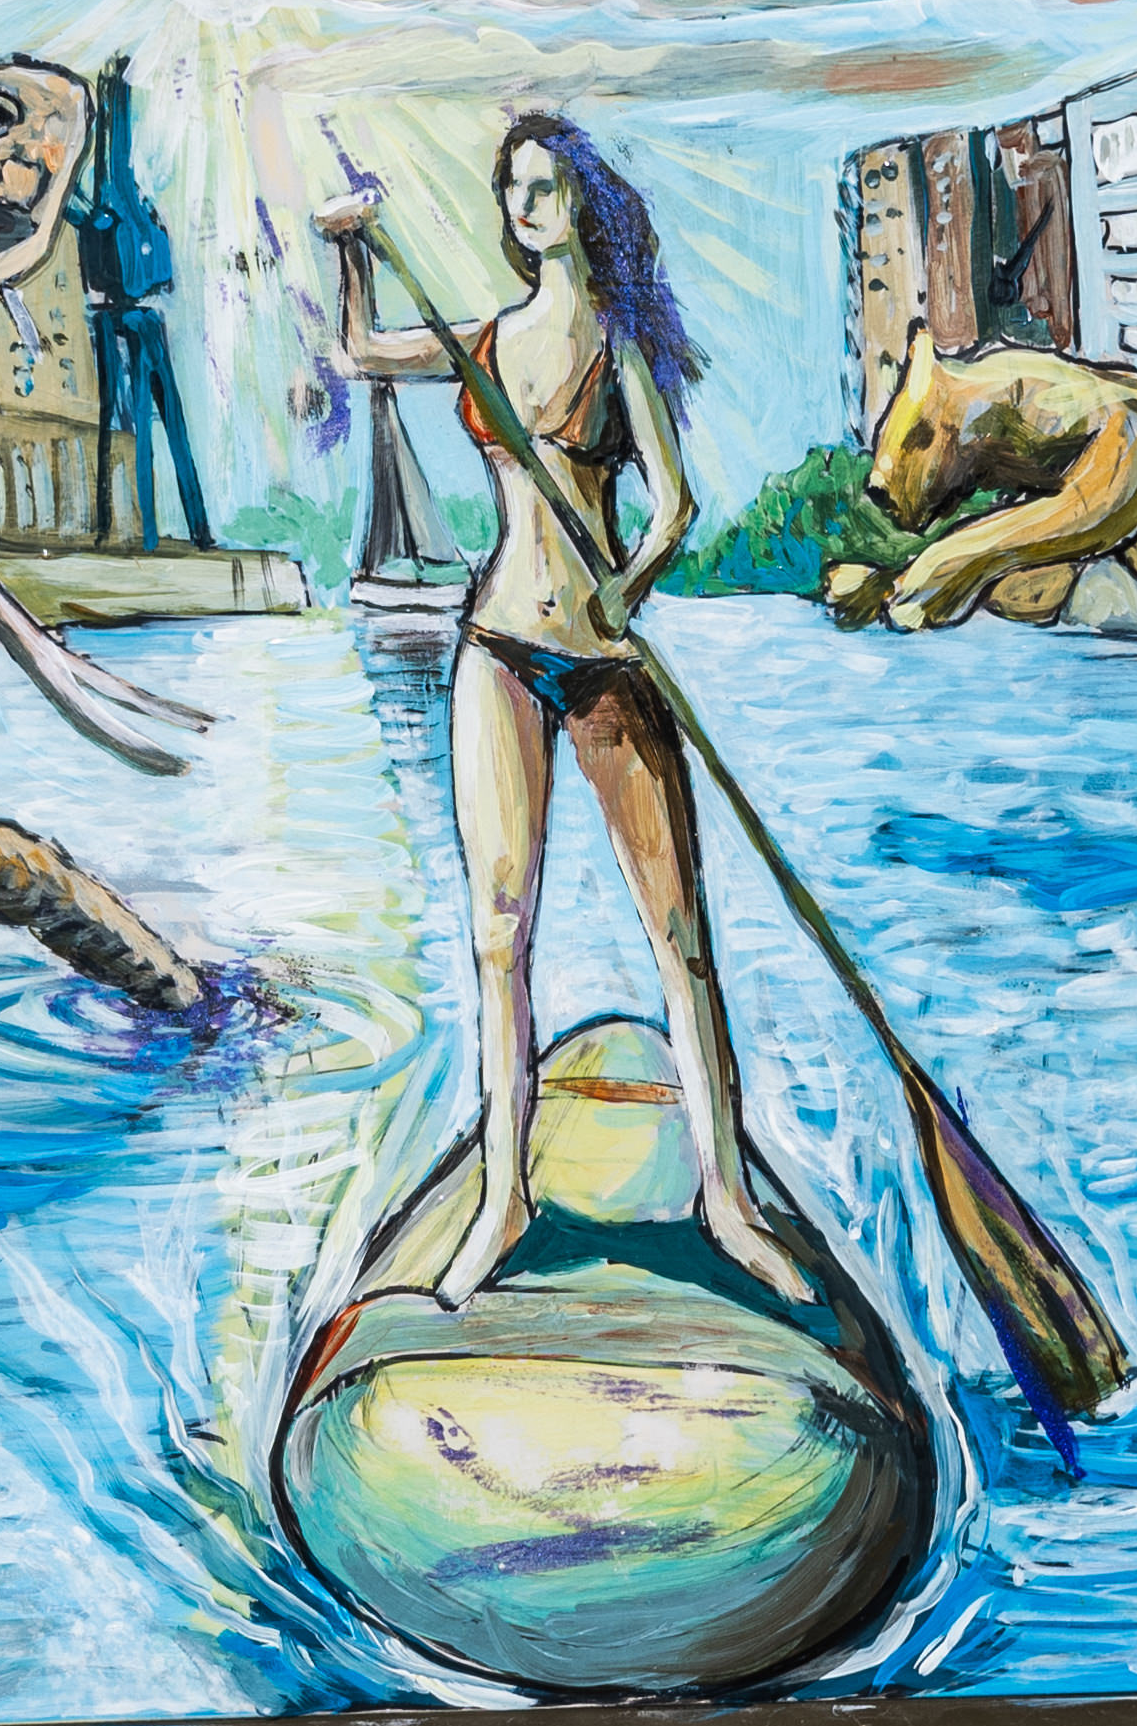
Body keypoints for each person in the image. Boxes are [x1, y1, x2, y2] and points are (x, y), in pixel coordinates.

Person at [326, 114, 806, 1308]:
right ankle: (502, 1200)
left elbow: (674, 506)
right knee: (498, 933)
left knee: (678, 934)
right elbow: (361, 350)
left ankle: (728, 1202)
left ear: (583, 204)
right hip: (495, 649)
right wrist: (349, 246)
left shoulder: (617, 346)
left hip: (599, 662)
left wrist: (630, 583)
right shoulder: (484, 340)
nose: (523, 204)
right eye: (511, 188)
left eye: (542, 186)